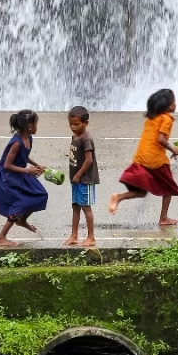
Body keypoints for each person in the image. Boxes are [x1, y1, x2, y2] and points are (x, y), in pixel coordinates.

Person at [108, 88, 178, 229]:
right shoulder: (166, 119)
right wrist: (173, 149)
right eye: (174, 101)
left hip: (141, 158)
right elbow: (160, 139)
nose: (176, 104)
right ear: (169, 105)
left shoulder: (151, 118)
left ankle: (118, 197)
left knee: (141, 192)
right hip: (156, 161)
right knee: (169, 188)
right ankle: (163, 218)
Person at [0, 109, 48, 244]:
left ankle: (22, 220)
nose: (36, 127)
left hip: (20, 172)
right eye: (35, 124)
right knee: (20, 202)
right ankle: (1, 237)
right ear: (29, 126)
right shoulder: (16, 143)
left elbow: (24, 156)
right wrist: (28, 171)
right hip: (8, 176)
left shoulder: (28, 138)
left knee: (41, 194)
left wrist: (37, 165)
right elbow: (7, 165)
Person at [64, 105, 98, 248]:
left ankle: (91, 237)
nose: (73, 126)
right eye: (71, 124)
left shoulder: (86, 139)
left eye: (76, 124)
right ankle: (74, 235)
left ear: (86, 123)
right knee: (76, 206)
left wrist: (78, 175)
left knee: (86, 207)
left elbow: (89, 160)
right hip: (76, 179)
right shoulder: (76, 136)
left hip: (85, 179)